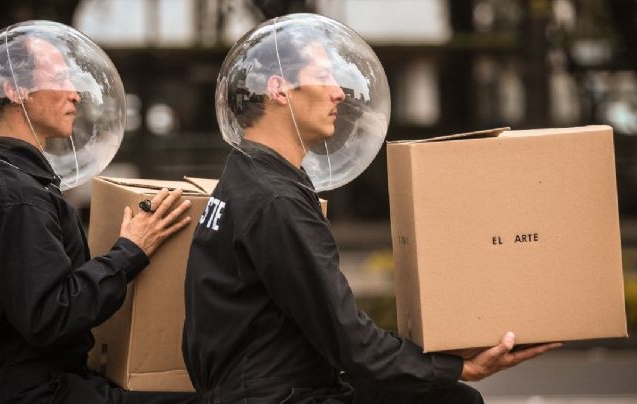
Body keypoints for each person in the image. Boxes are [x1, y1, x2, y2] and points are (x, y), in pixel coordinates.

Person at [183, 14, 561, 404]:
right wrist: (459, 368)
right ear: (280, 90)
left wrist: (438, 360)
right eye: (324, 77)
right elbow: (350, 342)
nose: (339, 93)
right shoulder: (275, 200)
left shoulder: (243, 175)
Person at [0, 21, 198, 404]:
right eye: (60, 77)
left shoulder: (7, 179)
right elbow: (51, 314)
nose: (76, 94)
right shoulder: (15, 195)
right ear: (15, 90)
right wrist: (131, 251)